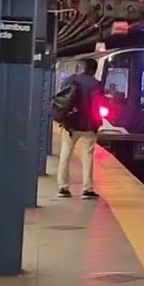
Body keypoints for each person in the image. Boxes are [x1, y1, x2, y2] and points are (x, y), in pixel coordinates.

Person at [52, 58, 105, 199]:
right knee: (87, 156)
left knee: (65, 155)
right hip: (88, 126)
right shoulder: (96, 84)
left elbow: (62, 99)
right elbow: (99, 105)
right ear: (94, 69)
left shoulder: (71, 80)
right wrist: (97, 124)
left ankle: (63, 188)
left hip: (70, 125)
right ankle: (87, 189)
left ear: (82, 67)